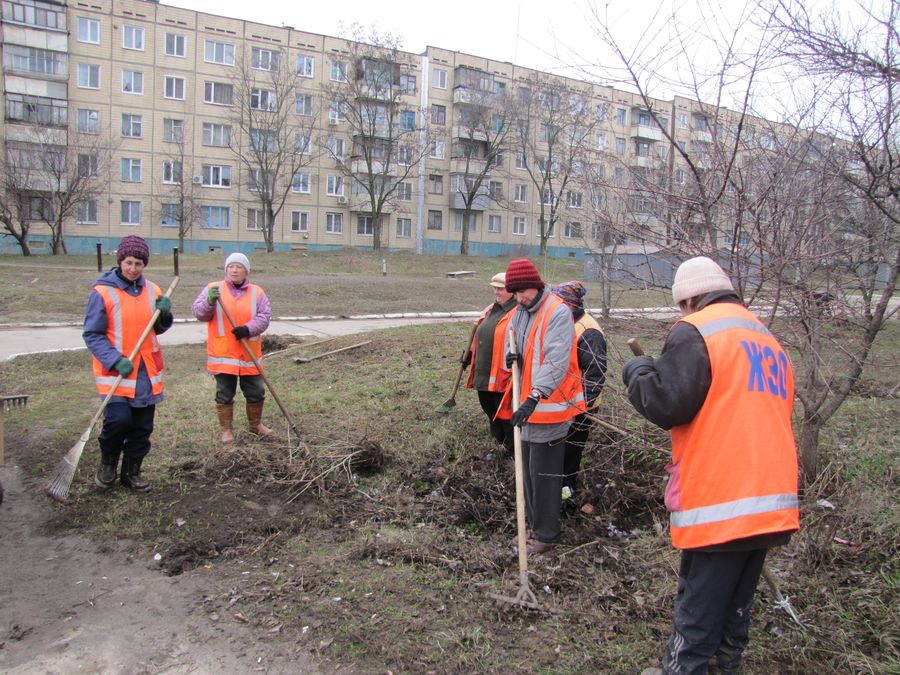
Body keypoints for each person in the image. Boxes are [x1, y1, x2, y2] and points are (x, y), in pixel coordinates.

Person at [622, 256, 800, 675]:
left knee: (698, 607)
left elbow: (666, 403)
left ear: (688, 300)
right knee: (735, 605)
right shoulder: (765, 338)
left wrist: (638, 371)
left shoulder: (697, 330)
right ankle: (724, 667)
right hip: (771, 499)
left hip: (723, 497)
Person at [497, 258, 585, 555]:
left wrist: (535, 396)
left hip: (550, 409)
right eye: (515, 292)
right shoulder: (521, 312)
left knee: (544, 478)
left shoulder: (557, 311)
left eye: (523, 291)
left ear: (536, 285)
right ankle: (532, 528)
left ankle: (546, 535)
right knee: (528, 475)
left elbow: (557, 361)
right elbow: (516, 348)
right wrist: (511, 359)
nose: (519, 297)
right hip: (526, 409)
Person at [83, 235, 173, 493]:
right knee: (118, 421)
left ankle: (132, 472)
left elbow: (158, 328)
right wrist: (114, 359)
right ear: (120, 261)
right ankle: (108, 464)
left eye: (139, 264)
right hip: (117, 372)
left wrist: (165, 314)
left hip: (146, 372)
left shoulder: (152, 290)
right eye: (129, 262)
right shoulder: (102, 292)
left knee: (142, 426)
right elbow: (92, 334)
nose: (133, 269)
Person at [192, 252, 273, 443]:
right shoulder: (213, 289)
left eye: (239, 267)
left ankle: (255, 425)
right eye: (231, 266)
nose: (234, 270)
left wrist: (247, 329)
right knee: (224, 393)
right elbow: (199, 313)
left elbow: (264, 317)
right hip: (223, 354)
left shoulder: (257, 292)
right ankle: (226, 430)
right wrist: (209, 302)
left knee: (256, 391)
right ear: (226, 269)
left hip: (248, 353)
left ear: (246, 271)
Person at [550, 281, 607, 500]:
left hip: (581, 405)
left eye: (558, 303)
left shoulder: (588, 331)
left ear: (569, 305)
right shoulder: (566, 323)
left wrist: (581, 407)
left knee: (570, 451)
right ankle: (555, 488)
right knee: (558, 449)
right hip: (563, 401)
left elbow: (595, 373)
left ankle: (567, 493)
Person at [463, 272, 517, 456]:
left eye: (500, 288)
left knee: (505, 415)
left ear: (511, 290)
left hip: (503, 375)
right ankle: (497, 444)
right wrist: (469, 353)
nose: (496, 291)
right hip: (484, 372)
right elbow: (479, 333)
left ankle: (510, 451)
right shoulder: (490, 309)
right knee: (490, 410)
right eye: (494, 287)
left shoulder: (517, 313)